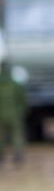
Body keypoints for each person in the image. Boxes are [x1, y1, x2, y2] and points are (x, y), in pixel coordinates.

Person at [0, 31, 27, 167]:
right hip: (14, 114)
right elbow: (22, 99)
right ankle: (18, 154)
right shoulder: (15, 84)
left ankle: (2, 157)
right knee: (16, 134)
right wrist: (22, 111)